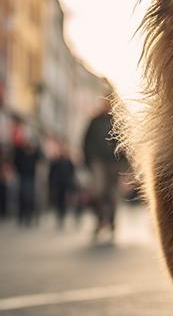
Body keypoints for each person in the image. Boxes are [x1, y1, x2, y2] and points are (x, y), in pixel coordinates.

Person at [83, 98, 125, 242]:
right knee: (99, 191)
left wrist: (125, 164)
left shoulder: (118, 121)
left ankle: (111, 223)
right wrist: (88, 160)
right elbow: (86, 141)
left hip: (114, 162)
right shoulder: (95, 121)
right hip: (98, 161)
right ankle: (100, 220)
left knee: (112, 193)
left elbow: (124, 143)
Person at [13, 131, 42, 227]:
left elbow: (41, 156)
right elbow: (15, 161)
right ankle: (21, 217)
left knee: (30, 198)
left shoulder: (35, 153)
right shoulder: (20, 152)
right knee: (21, 198)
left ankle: (29, 218)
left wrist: (36, 148)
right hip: (22, 177)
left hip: (31, 177)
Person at [47, 146, 76, 229]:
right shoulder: (56, 162)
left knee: (64, 201)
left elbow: (72, 172)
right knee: (59, 201)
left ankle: (62, 217)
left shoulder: (68, 162)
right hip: (58, 184)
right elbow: (51, 173)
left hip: (66, 184)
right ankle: (59, 217)